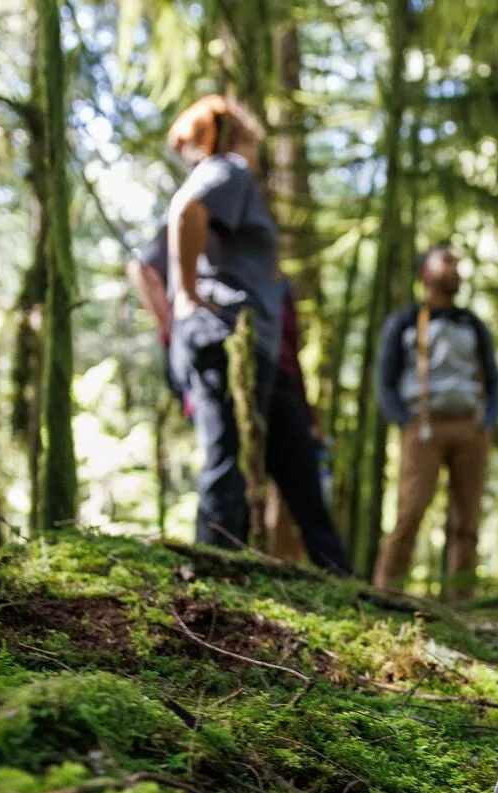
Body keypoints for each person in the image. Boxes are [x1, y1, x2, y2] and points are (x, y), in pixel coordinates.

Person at [150, 94, 347, 573]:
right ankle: (212, 577)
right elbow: (185, 211)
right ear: (241, 135)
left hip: (252, 350)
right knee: (227, 460)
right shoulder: (231, 168)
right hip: (223, 338)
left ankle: (340, 582)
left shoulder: (228, 180)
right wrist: (189, 297)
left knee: (292, 463)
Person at [372, 245, 498, 601]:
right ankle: (386, 593)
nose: (455, 268)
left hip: (470, 430)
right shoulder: (404, 322)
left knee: (468, 523)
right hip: (423, 430)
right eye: (446, 261)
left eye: (457, 263)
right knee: (410, 513)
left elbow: (492, 379)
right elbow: (385, 379)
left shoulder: (472, 324)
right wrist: (404, 421)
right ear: (425, 272)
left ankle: (461, 604)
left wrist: (487, 422)